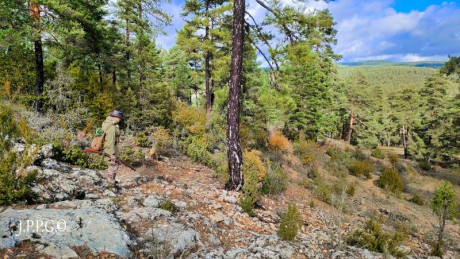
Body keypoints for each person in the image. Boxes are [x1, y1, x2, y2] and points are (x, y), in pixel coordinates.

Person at [102, 110, 123, 188]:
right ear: (116, 117)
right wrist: (113, 154)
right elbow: (110, 141)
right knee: (113, 166)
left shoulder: (106, 122)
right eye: (120, 118)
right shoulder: (112, 127)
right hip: (111, 149)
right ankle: (111, 184)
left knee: (113, 166)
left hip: (109, 147)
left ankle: (111, 181)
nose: (120, 119)